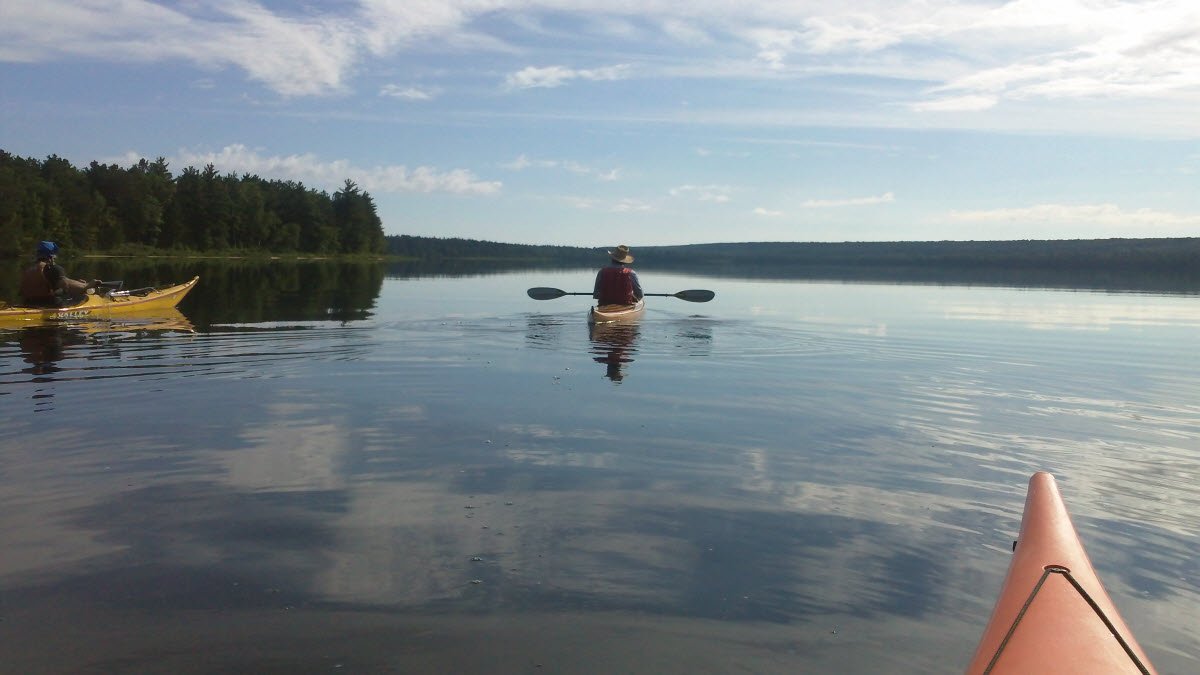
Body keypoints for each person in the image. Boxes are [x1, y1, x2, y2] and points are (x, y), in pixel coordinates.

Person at [18, 241, 101, 307]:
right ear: (51, 257)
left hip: (28, 304)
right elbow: (66, 285)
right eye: (54, 257)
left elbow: (64, 281)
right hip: (48, 305)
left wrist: (78, 283)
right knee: (83, 297)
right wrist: (88, 286)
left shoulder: (28, 270)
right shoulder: (52, 268)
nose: (55, 259)